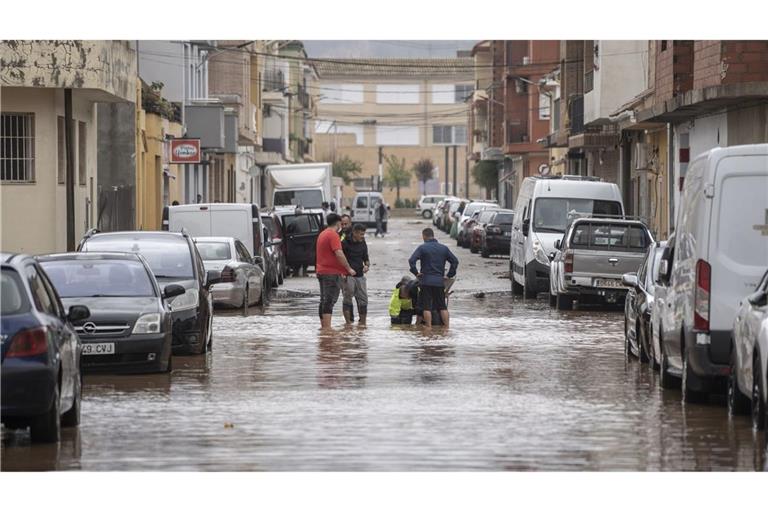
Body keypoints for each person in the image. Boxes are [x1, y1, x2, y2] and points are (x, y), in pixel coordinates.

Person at [408, 227, 458, 328]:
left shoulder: (422, 248)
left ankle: (429, 328)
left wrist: (416, 273)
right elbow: (455, 261)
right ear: (433, 235)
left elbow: (411, 260)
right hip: (439, 282)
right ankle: (447, 328)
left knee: (426, 307)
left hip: (426, 281)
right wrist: (448, 275)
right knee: (442, 306)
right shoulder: (444, 248)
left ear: (424, 236)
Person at [315, 213, 356, 328]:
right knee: (329, 300)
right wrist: (348, 268)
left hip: (321, 271)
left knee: (324, 299)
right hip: (330, 273)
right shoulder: (333, 235)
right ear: (338, 223)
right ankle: (327, 329)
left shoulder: (322, 234)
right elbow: (339, 253)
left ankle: (324, 327)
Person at [341, 223, 370, 325]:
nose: (363, 236)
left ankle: (363, 324)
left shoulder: (363, 242)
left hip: (360, 276)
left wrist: (367, 266)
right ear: (354, 233)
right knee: (347, 298)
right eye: (361, 234)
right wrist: (343, 272)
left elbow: (366, 258)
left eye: (363, 234)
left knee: (363, 299)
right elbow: (339, 259)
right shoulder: (345, 243)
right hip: (348, 276)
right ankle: (348, 324)